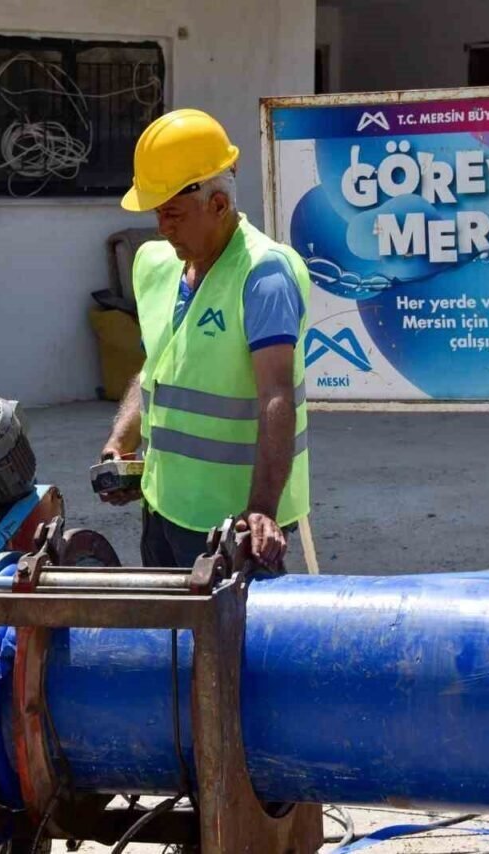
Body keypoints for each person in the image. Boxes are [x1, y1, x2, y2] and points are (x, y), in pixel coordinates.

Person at [98, 108, 312, 569]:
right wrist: (122, 440)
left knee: (229, 621)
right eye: (157, 212)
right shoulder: (155, 265)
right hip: (163, 504)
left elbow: (276, 393)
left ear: (218, 204)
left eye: (173, 213)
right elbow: (157, 368)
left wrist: (262, 509)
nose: (162, 227)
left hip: (232, 525)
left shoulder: (264, 274)